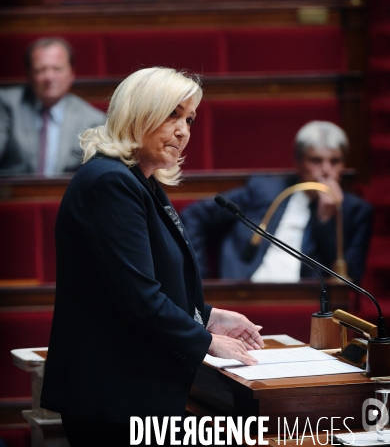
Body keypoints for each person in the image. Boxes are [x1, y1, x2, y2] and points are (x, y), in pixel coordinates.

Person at [40, 67, 264, 446]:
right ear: (137, 113)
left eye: (189, 119)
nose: (183, 130)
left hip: (131, 391)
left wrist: (209, 316)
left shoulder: (138, 181)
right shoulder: (110, 183)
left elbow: (150, 282)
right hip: (113, 398)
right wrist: (207, 341)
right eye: (172, 114)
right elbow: (138, 297)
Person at [181, 121, 373, 285]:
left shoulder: (355, 211)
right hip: (245, 292)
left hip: (307, 303)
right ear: (298, 162)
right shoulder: (265, 190)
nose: (325, 170)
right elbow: (194, 215)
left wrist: (327, 221)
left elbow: (350, 279)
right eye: (316, 160)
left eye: (335, 161)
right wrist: (200, 281)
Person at [0, 37, 106, 175]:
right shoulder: (7, 104)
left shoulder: (93, 119)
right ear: (29, 74)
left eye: (57, 69)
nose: (49, 77)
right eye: (40, 70)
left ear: (72, 73)